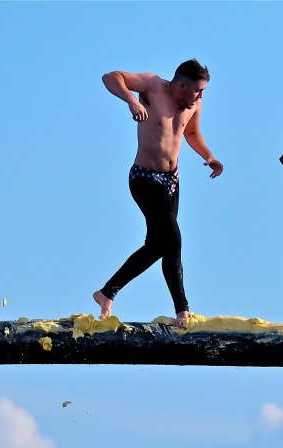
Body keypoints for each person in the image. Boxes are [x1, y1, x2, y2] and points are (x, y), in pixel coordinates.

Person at [93, 59, 223, 327]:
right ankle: (183, 312)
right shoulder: (153, 87)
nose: (200, 96)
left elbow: (192, 132)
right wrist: (131, 100)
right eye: (198, 90)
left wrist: (208, 156)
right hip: (144, 178)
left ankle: (106, 293)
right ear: (182, 85)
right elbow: (110, 77)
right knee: (173, 240)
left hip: (171, 182)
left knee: (158, 246)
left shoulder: (193, 105)